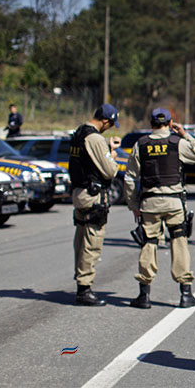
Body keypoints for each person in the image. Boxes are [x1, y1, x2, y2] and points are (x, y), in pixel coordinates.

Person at [124, 108, 195, 309]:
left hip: (150, 203)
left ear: (151, 123)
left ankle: (144, 296)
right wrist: (185, 134)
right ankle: (185, 294)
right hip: (173, 203)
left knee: (149, 244)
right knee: (179, 242)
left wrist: (133, 205)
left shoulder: (141, 144)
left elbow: (129, 177)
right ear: (170, 123)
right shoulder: (176, 143)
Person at [69, 104, 120, 306]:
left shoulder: (78, 133)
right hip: (93, 196)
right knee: (92, 242)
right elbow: (110, 171)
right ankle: (84, 289)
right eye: (111, 124)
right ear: (105, 121)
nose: (110, 128)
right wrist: (112, 155)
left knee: (80, 240)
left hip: (78, 192)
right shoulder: (96, 138)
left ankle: (80, 280)